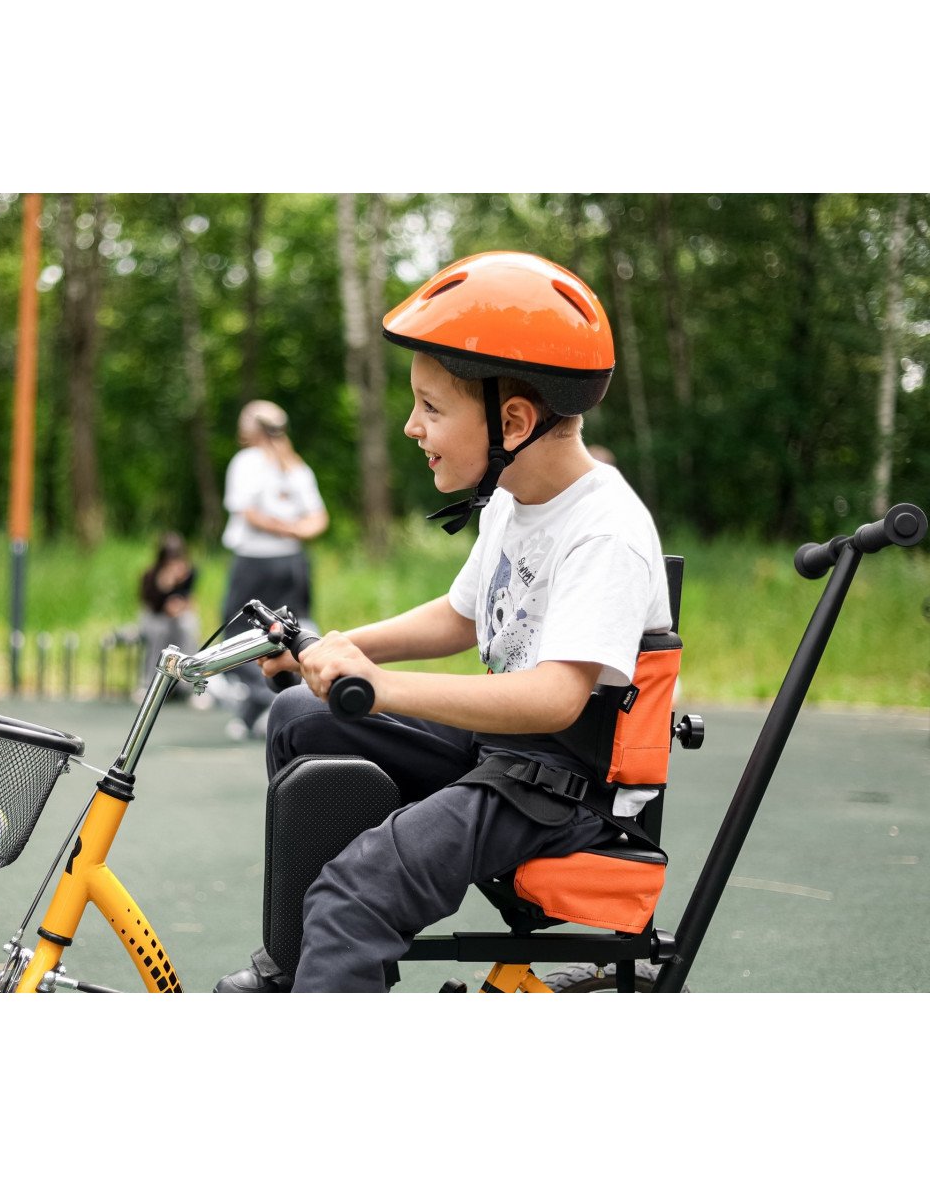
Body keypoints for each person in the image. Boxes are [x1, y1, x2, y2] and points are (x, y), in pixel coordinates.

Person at [215, 250, 672, 993]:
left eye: (430, 407)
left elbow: (556, 698)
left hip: (560, 792)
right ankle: (296, 968)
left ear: (513, 422)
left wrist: (379, 686)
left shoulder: (604, 530)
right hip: (509, 755)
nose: (411, 426)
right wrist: (338, 650)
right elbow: (461, 616)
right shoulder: (514, 502)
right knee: (300, 715)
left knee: (354, 895)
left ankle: (333, 960)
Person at [219, 399, 328, 740]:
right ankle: (265, 708)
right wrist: (296, 531)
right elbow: (317, 519)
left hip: (255, 562)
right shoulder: (297, 466)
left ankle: (277, 700)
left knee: (235, 635)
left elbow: (247, 512)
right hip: (293, 561)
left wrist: (282, 529)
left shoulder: (247, 462)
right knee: (293, 630)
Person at [137, 531, 200, 697]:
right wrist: (165, 584)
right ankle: (149, 683)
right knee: (160, 631)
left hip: (178, 619)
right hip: (155, 617)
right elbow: (150, 603)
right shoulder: (151, 575)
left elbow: (189, 599)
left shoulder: (190, 572)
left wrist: (181, 605)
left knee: (189, 627)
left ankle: (187, 684)